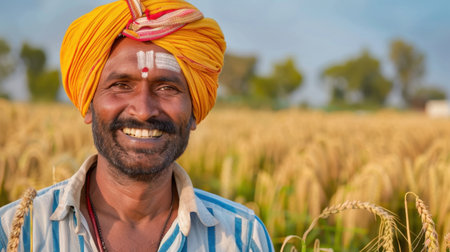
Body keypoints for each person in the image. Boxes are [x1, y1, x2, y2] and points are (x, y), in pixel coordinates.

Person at [0, 0, 274, 251]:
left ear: (194, 112)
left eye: (167, 88)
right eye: (120, 85)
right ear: (88, 106)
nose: (143, 111)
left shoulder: (242, 238)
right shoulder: (16, 231)